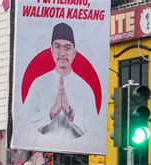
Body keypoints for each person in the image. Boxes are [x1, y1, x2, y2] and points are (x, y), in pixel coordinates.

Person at [21, 22, 95, 150]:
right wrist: (50, 113)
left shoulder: (85, 88)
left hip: (76, 158)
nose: (62, 53)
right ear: (51, 50)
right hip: (43, 155)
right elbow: (24, 123)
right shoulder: (39, 83)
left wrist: (70, 113)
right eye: (57, 47)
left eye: (67, 48)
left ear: (74, 53)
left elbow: (94, 129)